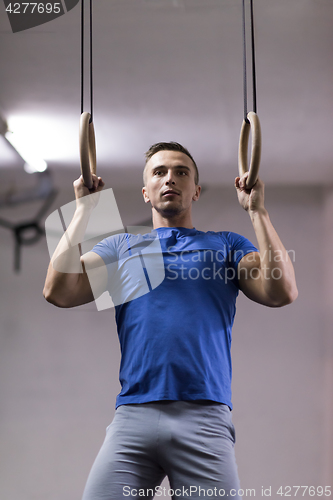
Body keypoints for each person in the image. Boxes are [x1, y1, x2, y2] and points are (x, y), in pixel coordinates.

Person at [43, 142, 298, 500]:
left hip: (205, 419)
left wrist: (258, 211)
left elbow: (282, 291)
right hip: (133, 416)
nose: (170, 179)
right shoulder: (121, 248)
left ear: (196, 190)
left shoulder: (225, 245)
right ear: (146, 192)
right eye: (159, 172)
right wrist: (85, 208)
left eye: (181, 172)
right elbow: (58, 290)